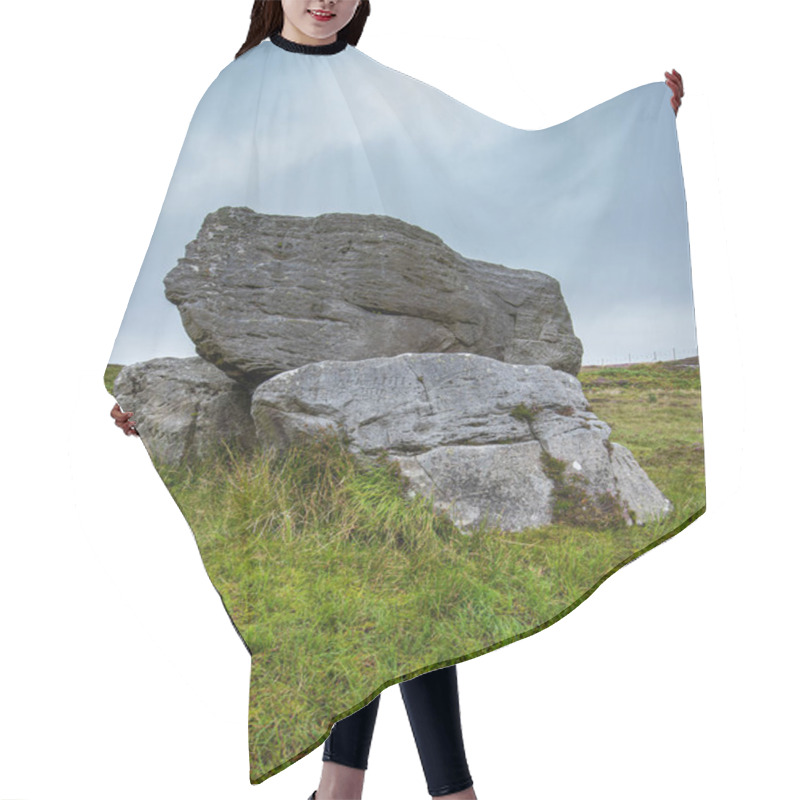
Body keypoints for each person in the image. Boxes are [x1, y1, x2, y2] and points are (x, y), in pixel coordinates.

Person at [109, 2, 686, 798]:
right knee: (372, 578)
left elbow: (493, 161)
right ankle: (424, 791)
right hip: (290, 373)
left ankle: (353, 789)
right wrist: (133, 379)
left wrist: (636, 124)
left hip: (374, 356)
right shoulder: (235, 91)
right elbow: (180, 220)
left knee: (401, 575)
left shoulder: (378, 87)